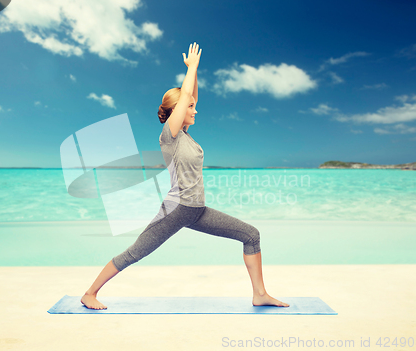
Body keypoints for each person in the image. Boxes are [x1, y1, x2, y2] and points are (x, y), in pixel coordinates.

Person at [81, 42, 289, 310]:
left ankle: (260, 294)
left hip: (197, 210)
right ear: (178, 110)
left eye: (193, 106)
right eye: (189, 107)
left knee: (251, 235)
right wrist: (191, 69)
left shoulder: (186, 137)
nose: (195, 109)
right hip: (177, 209)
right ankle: (90, 293)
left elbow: (192, 96)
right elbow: (187, 94)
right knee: (136, 252)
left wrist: (196, 73)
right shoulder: (170, 136)